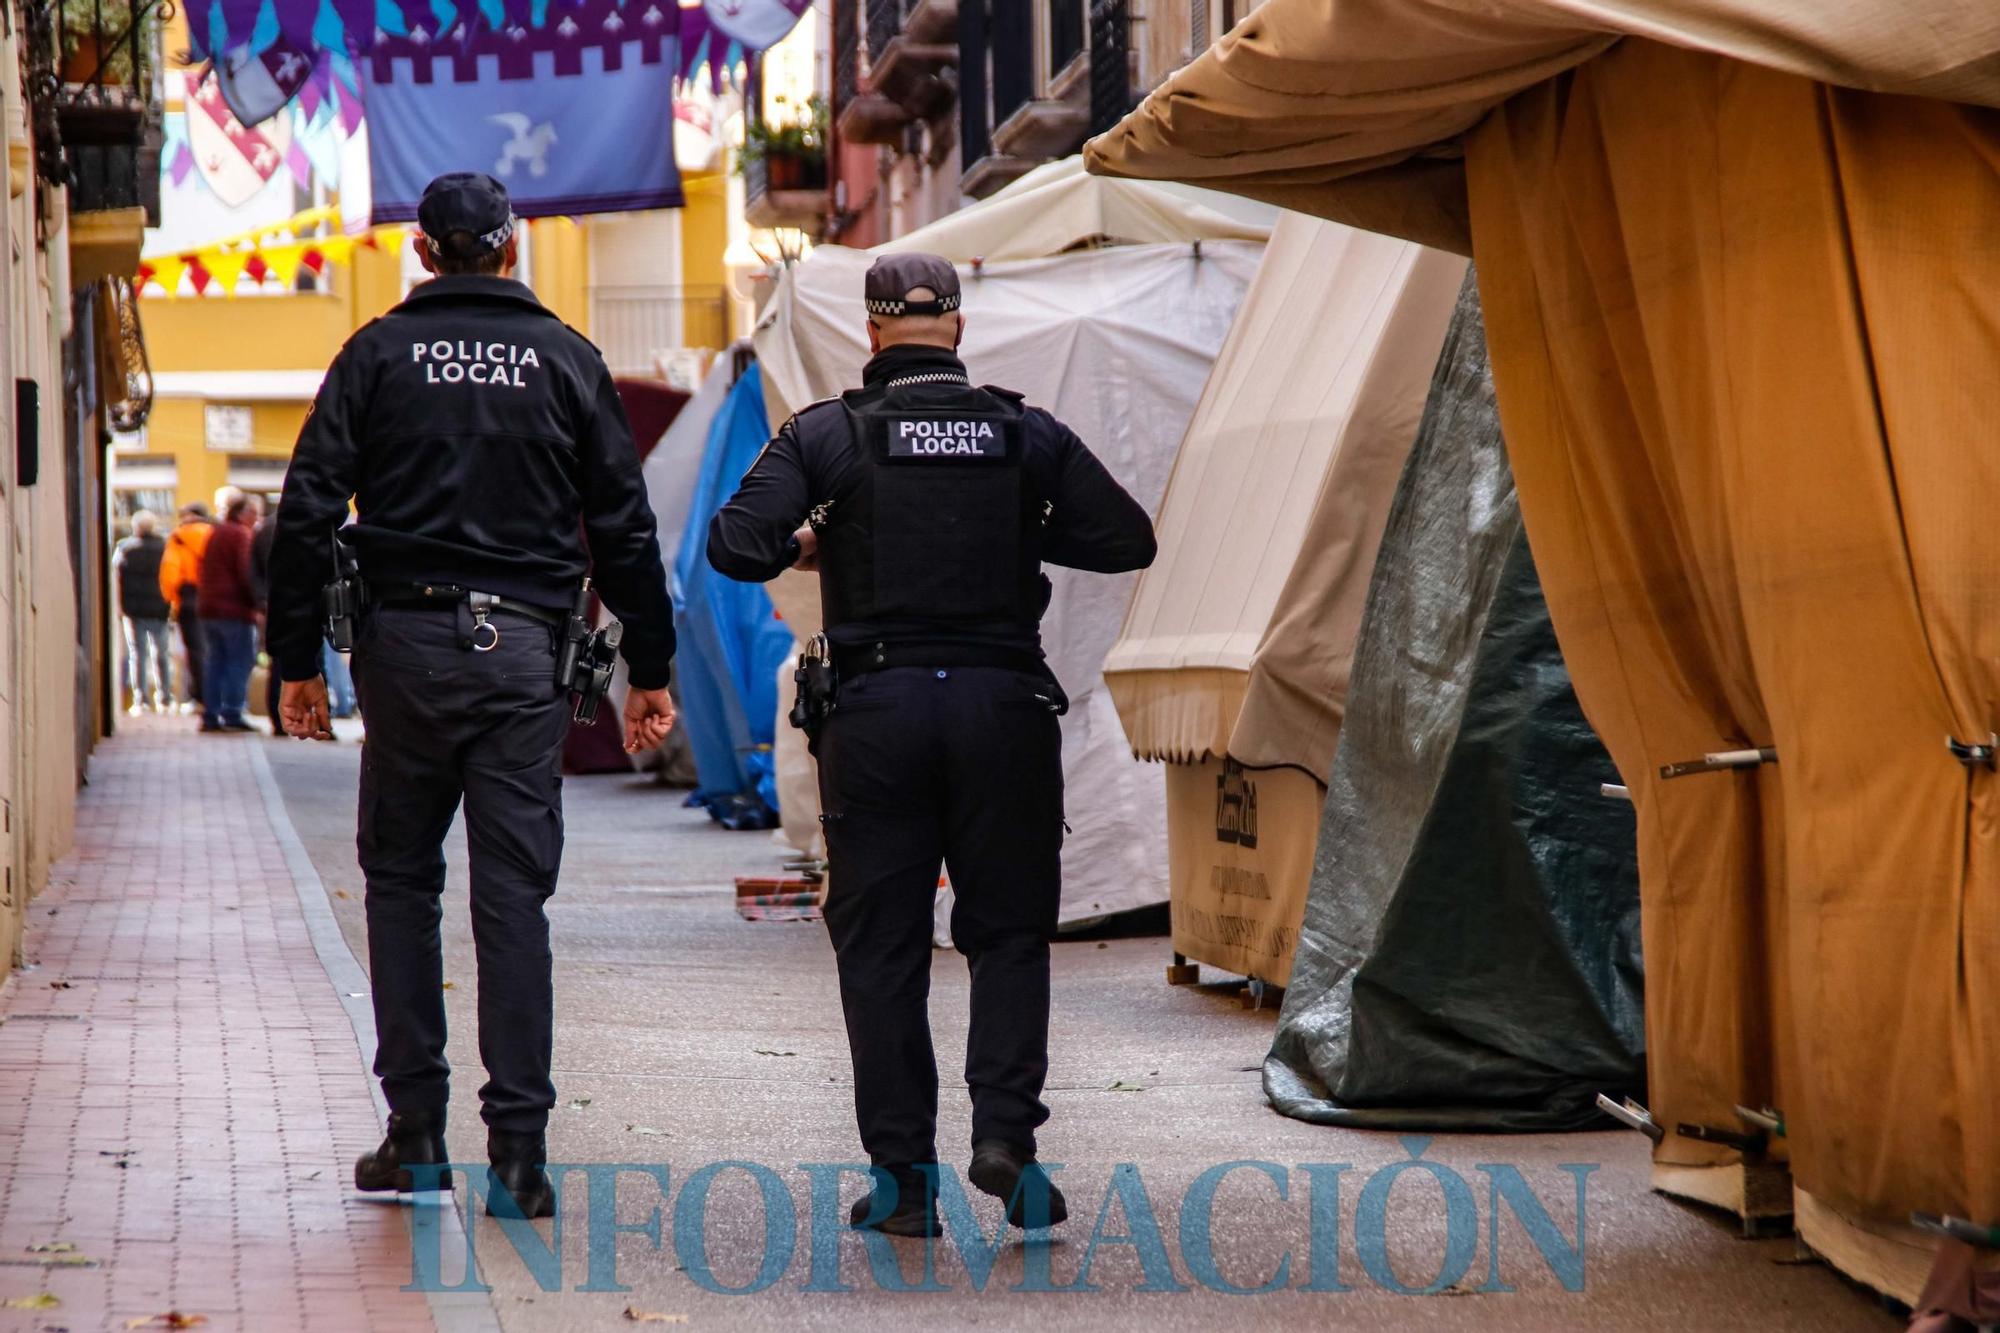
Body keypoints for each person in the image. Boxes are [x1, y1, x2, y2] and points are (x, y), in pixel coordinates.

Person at [707, 253, 1158, 1236]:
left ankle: (904, 1180)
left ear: (871, 333)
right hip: (1001, 706)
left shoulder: (824, 434)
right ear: (957, 327)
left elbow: (733, 544)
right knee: (1005, 933)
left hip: (876, 713)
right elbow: (1125, 537)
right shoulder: (1023, 432)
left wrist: (810, 541)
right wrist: (1016, 522)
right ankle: (1004, 1137)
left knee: (882, 945)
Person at [266, 172, 679, 1219]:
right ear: (509, 248)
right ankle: (521, 1155)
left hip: (402, 648)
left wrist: (297, 662)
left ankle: (413, 1135)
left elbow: (307, 505)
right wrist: (652, 671)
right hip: (525, 656)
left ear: (422, 252)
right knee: (512, 899)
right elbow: (625, 529)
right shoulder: (567, 359)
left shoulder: (374, 354)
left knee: (401, 883)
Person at [197, 495, 261, 732]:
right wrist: (258, 603)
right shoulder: (240, 534)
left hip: (208, 607)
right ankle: (232, 711)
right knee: (239, 661)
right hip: (233, 609)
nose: (256, 518)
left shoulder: (217, 531)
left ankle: (210, 714)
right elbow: (246, 572)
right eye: (253, 513)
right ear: (242, 513)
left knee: (215, 661)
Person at [113, 510, 172, 711]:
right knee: (161, 654)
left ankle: (141, 699)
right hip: (159, 608)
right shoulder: (165, 548)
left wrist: (120, 607)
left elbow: (116, 579)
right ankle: (164, 698)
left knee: (137, 655)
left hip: (134, 610)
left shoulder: (125, 548)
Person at [158, 502, 213, 711]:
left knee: (195, 649)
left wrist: (172, 598)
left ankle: (201, 696)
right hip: (213, 595)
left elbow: (170, 571)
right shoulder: (213, 534)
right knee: (213, 648)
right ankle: (218, 697)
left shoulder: (179, 537)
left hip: (189, 596)